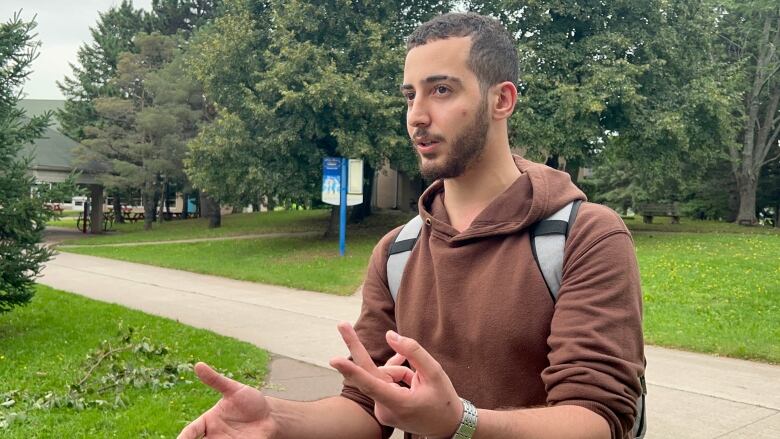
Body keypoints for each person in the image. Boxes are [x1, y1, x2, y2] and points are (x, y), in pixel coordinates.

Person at [178, 12, 644, 439]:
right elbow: (365, 410)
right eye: (410, 95)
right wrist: (276, 419)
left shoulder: (585, 237)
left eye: (441, 90)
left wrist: (459, 422)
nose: (417, 116)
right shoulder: (397, 251)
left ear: (502, 99)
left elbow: (596, 419)